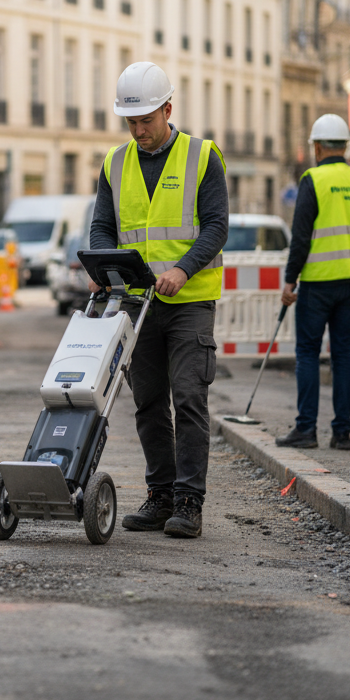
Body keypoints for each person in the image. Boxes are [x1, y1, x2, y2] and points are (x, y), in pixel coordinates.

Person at [89, 62, 228, 539]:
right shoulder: (114, 163)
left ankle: (190, 502)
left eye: (146, 119)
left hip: (190, 301)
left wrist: (182, 269)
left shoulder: (202, 156)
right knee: (148, 402)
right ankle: (161, 494)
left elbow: (215, 226)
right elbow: (103, 228)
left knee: (189, 397)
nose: (139, 130)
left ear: (168, 108)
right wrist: (103, 271)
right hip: (137, 303)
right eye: (131, 122)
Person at [276, 114, 350, 451]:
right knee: (343, 355)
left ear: (317, 147)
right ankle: (342, 433)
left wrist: (290, 280)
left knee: (307, 352)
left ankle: (306, 430)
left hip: (319, 282)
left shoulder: (313, 180)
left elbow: (301, 237)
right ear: (346, 146)